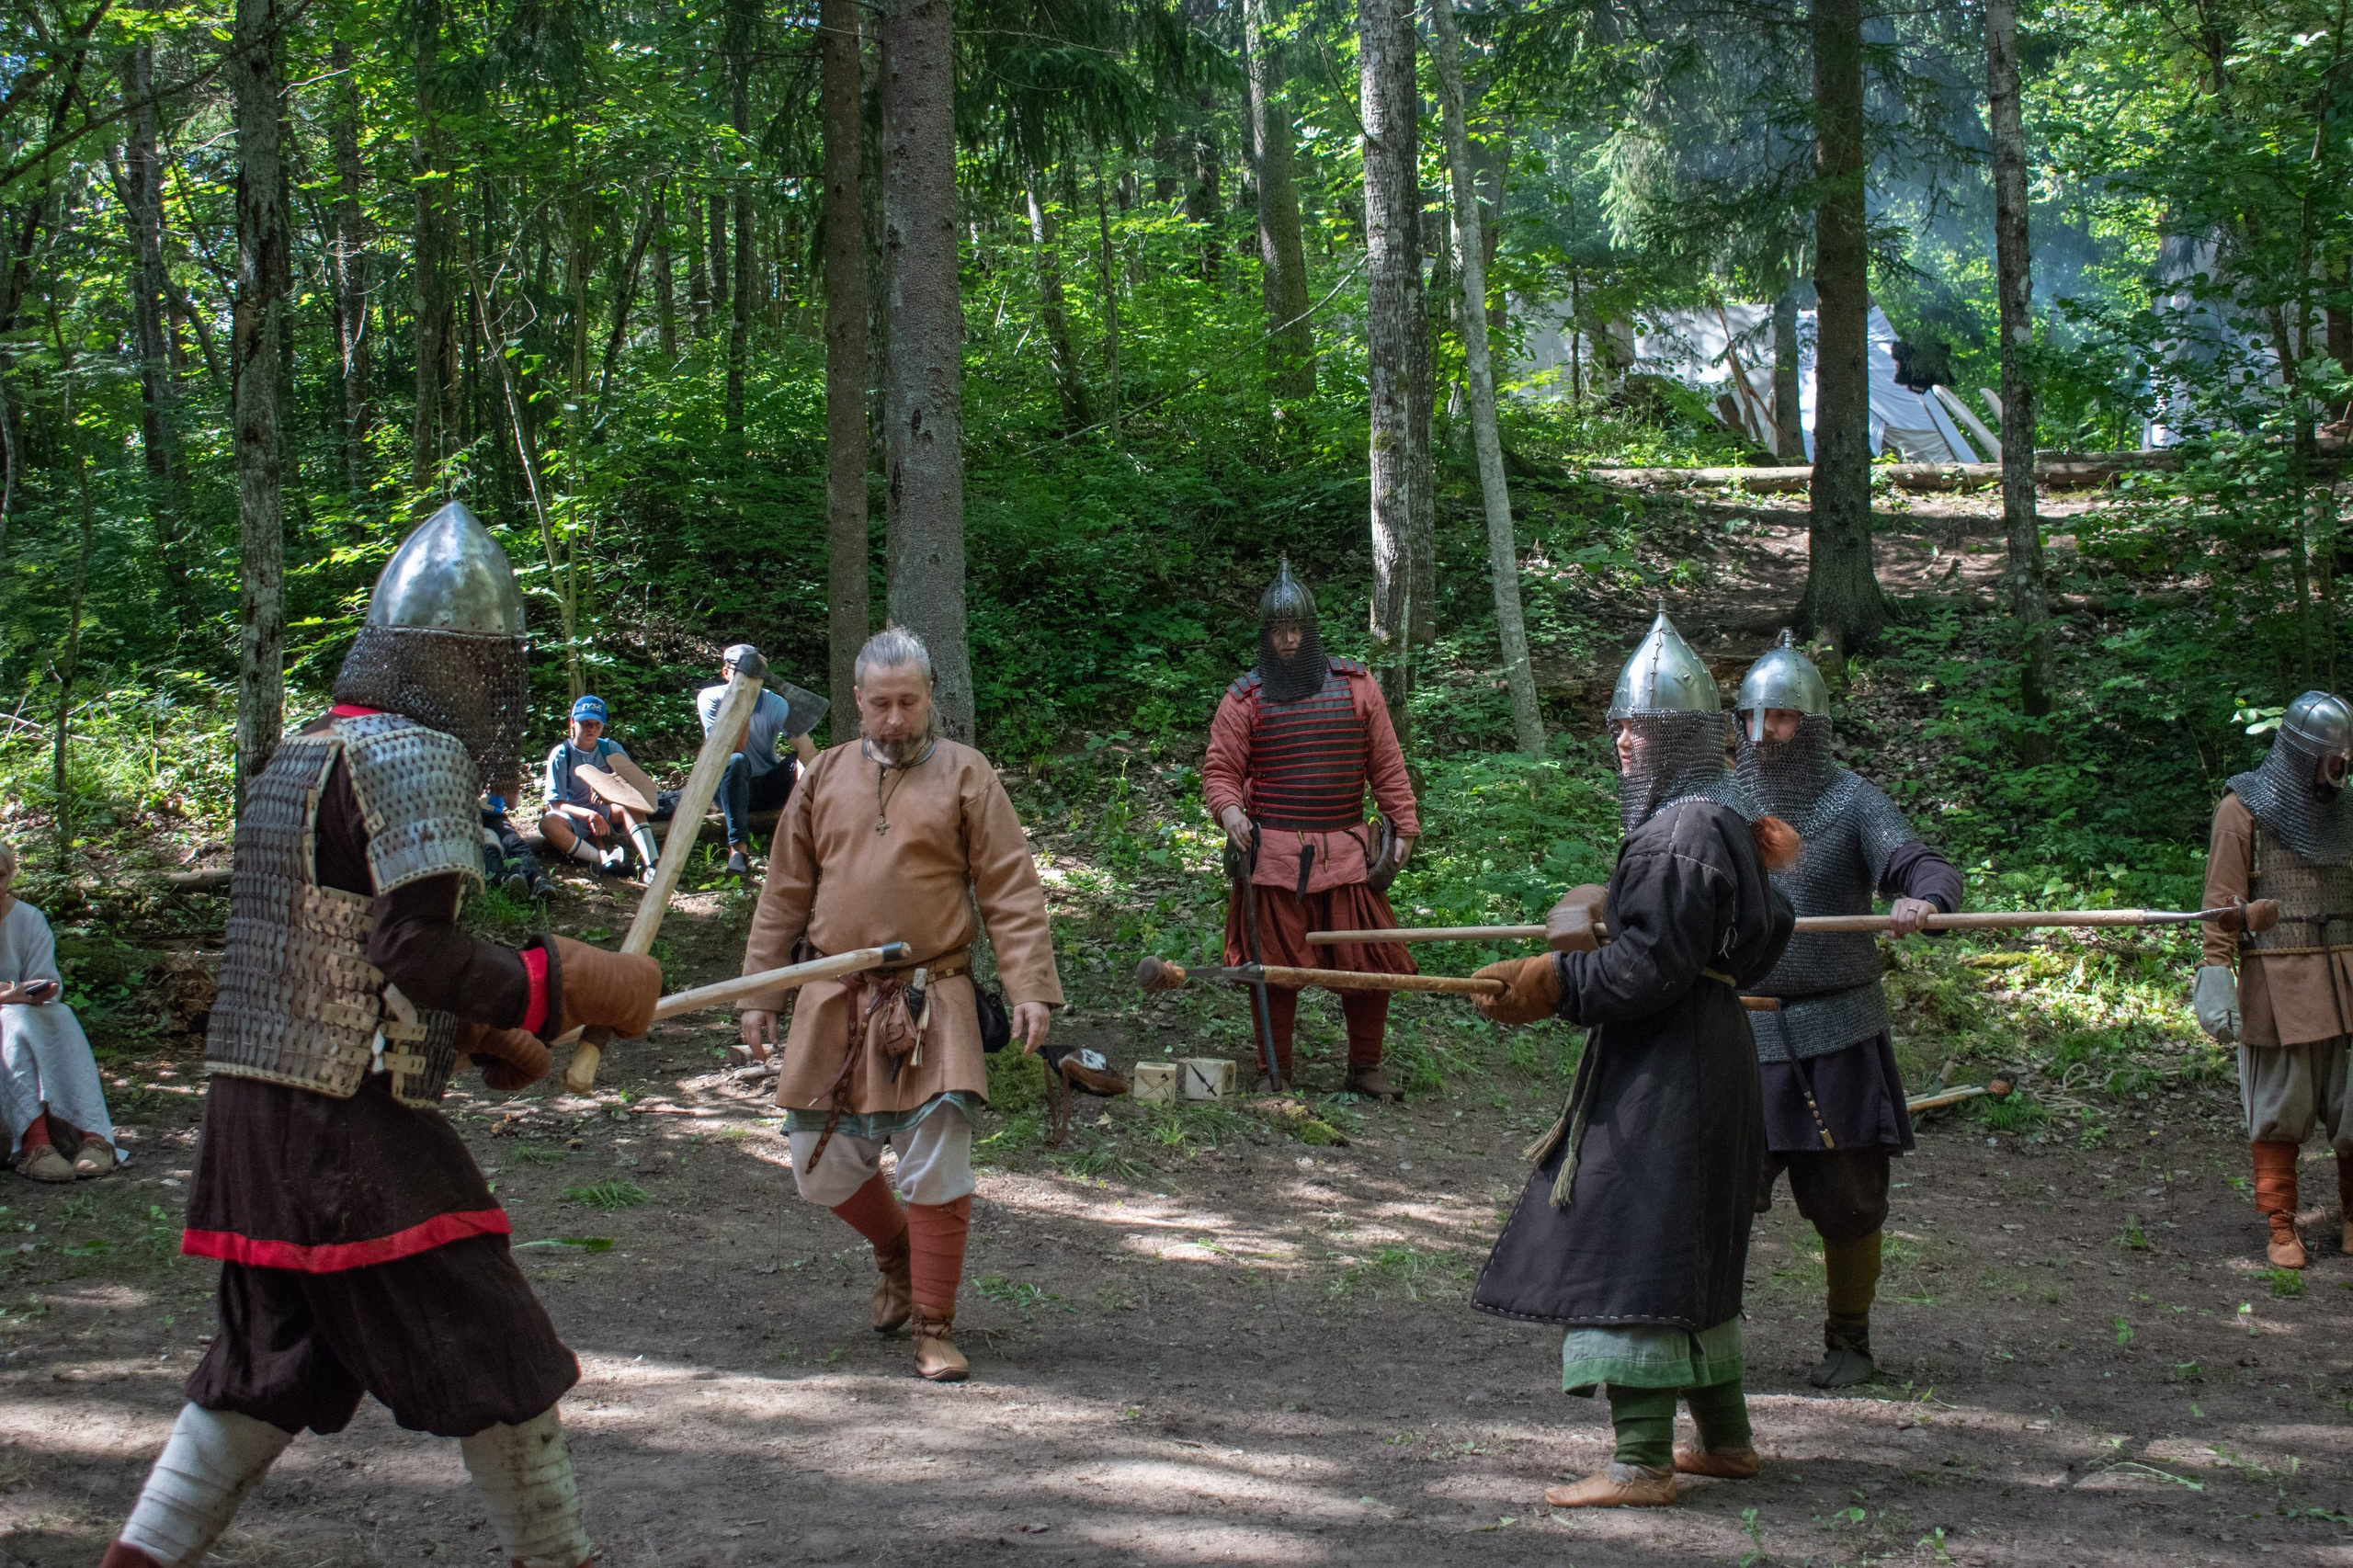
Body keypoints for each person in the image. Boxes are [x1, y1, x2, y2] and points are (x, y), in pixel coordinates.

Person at [99, 502, 664, 1568]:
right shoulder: (408, 757)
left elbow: (336, 956)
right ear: (463, 662)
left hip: (254, 1112)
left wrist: (470, 1030)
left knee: (268, 1369)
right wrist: (554, 983)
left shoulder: (304, 750)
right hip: (339, 1129)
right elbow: (409, 943)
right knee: (497, 1346)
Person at [1466, 607, 1796, 1510]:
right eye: (1616, 723)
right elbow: (1771, 930)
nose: (1618, 738)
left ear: (1674, 737)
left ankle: (1641, 1460)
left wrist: (1552, 981)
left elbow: (1645, 967)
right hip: (1712, 1052)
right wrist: (1675, 952)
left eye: (1634, 726)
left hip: (1670, 1073)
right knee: (1693, 1242)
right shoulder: (1721, 821)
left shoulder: (1676, 835)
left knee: (1633, 1239)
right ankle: (1726, 1442)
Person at [737, 626, 1062, 1382]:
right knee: (816, 1167)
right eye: (879, 703)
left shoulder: (966, 775)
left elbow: (1010, 890)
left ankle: (934, 1324)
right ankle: (897, 1251)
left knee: (936, 1157)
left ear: (928, 699)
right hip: (833, 998)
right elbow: (784, 892)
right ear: (856, 701)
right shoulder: (819, 781)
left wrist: (1030, 986)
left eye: (907, 702)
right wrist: (761, 993)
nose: (893, 719)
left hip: (932, 998)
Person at [1731, 631, 1962, 1388]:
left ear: (1812, 725)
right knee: (1714, 1192)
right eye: (1755, 717)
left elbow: (1921, 862)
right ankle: (1706, 1340)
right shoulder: (1720, 803)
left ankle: (1850, 1339)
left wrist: (1923, 896)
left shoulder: (1851, 801)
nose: (1766, 733)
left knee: (1851, 1201)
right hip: (1738, 1029)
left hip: (1838, 1031)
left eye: (1784, 718)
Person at [1200, 560, 1419, 1097]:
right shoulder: (1245, 700)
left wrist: (1404, 826)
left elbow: (1387, 765)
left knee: (1368, 960)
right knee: (1272, 968)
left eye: (1297, 629)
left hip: (1346, 855)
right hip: (1275, 855)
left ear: (1312, 628)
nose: (1289, 640)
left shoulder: (1357, 688)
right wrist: (1230, 813)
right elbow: (1221, 771)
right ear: (1266, 635)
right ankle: (1274, 1071)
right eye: (1279, 631)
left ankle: (1365, 1066)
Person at [2194, 688, 2353, 1269]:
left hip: (2348, 978)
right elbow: (2218, 904)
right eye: (2334, 756)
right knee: (2280, 1108)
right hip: (2279, 983)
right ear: (2303, 754)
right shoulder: (2243, 810)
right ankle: (2282, 1224)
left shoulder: (2349, 813)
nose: (2343, 768)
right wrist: (2220, 962)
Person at [0, 841, 118, 1181]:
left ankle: (94, 1136)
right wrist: (12, 995)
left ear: (11, 876)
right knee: (14, 1018)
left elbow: (46, 980)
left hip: (24, 1015)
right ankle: (34, 1144)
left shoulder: (28, 919)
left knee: (61, 1013)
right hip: (12, 1017)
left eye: (1, 875)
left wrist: (38, 992)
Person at [699, 643, 824, 877]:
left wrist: (822, 795)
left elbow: (806, 750)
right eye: (744, 674)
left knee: (797, 762)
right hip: (726, 785)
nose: (752, 680)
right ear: (726, 673)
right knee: (736, 761)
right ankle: (738, 851)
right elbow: (727, 749)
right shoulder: (711, 698)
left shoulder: (774, 704)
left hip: (765, 787)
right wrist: (742, 705)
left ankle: (804, 835)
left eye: (757, 674)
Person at [539, 695, 660, 883]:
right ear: (573, 722)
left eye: (597, 724)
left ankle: (652, 864)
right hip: (573, 815)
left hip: (607, 809)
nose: (592, 729)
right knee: (548, 824)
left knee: (631, 807)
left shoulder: (610, 748)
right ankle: (601, 859)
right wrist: (589, 815)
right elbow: (556, 804)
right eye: (586, 723)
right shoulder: (561, 754)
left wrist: (609, 793)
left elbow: (632, 787)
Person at [482, 791, 553, 902]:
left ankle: (537, 879)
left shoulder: (497, 773)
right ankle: (504, 881)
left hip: (494, 817)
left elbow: (512, 805)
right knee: (488, 849)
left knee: (514, 843)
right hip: (464, 817)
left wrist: (510, 786)